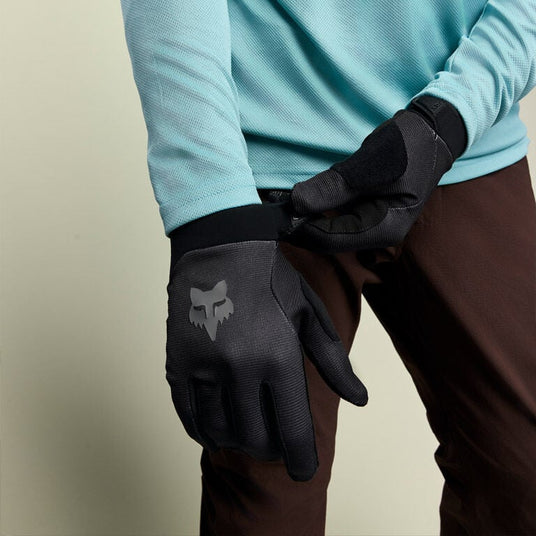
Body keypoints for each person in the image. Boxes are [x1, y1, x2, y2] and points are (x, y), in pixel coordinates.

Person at [119, 1, 536, 534]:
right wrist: (213, 224)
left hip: (466, 146)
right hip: (269, 186)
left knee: (524, 476)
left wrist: (450, 117)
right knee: (265, 499)